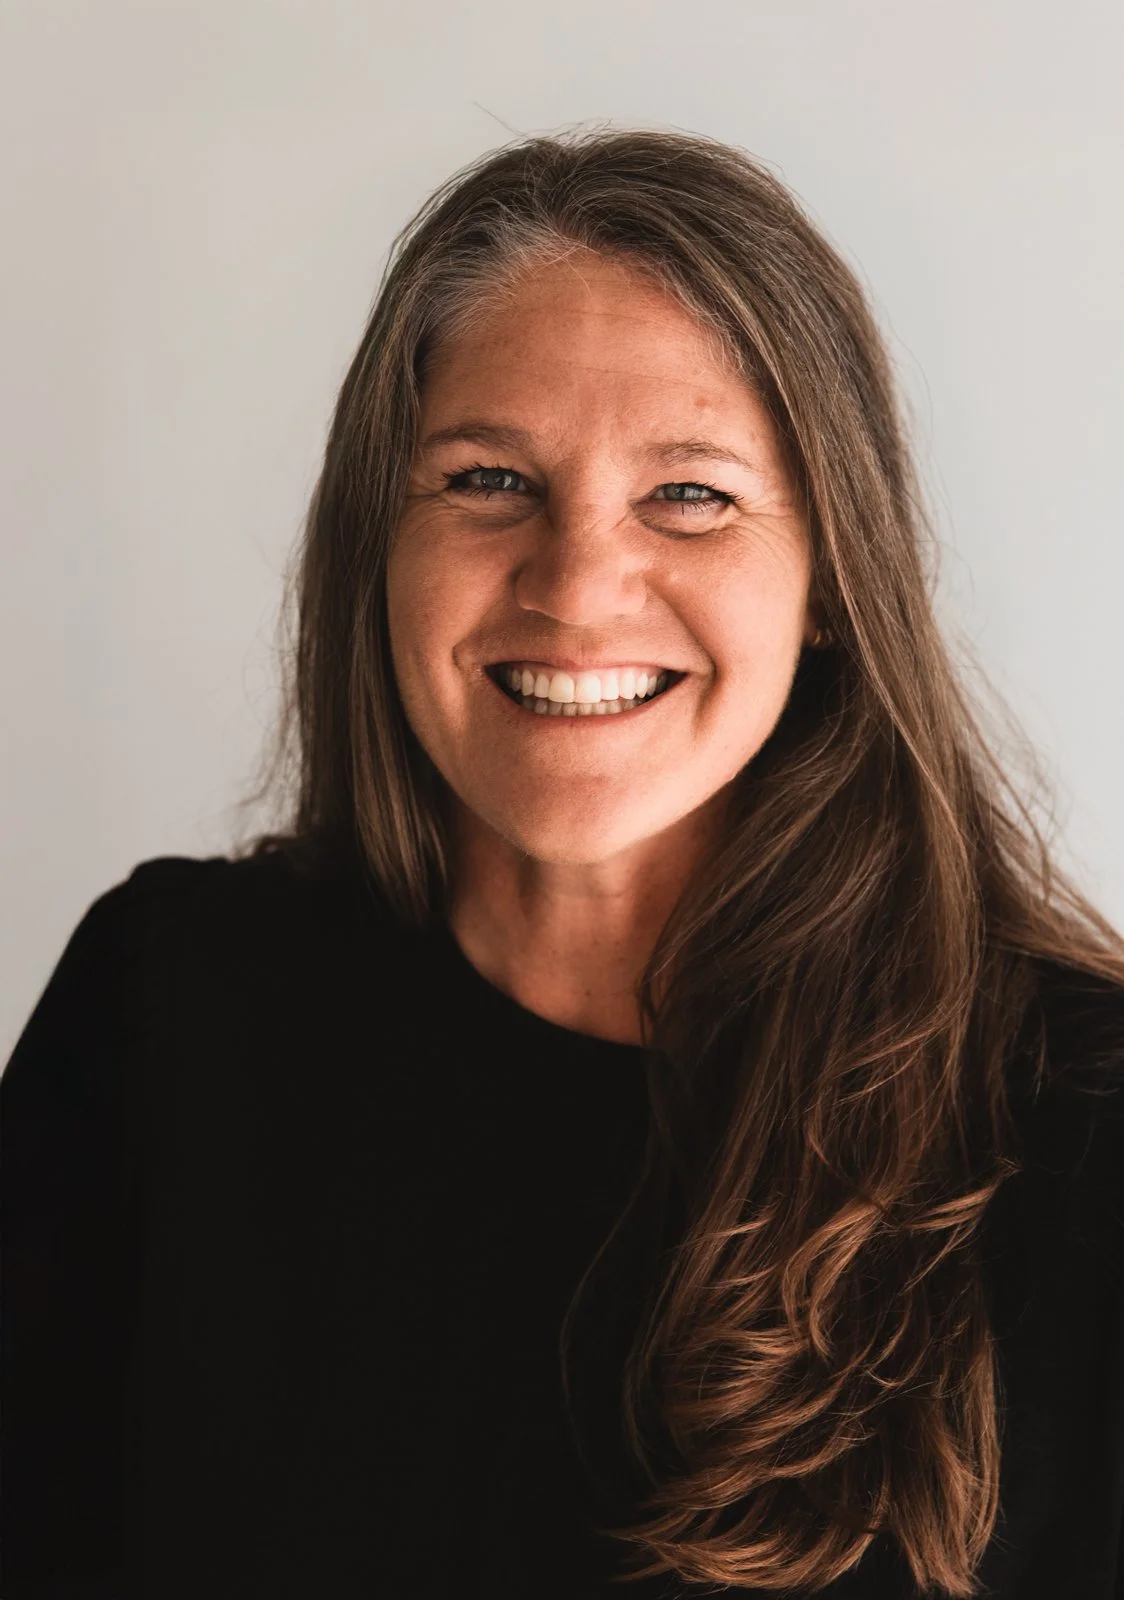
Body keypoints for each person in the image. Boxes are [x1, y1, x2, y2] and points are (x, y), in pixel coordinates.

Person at [3, 125, 1123, 1600]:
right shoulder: (165, 1010)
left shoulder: (1081, 1127)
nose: (579, 584)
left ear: (835, 586)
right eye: (487, 480)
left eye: (692, 494)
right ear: (377, 545)